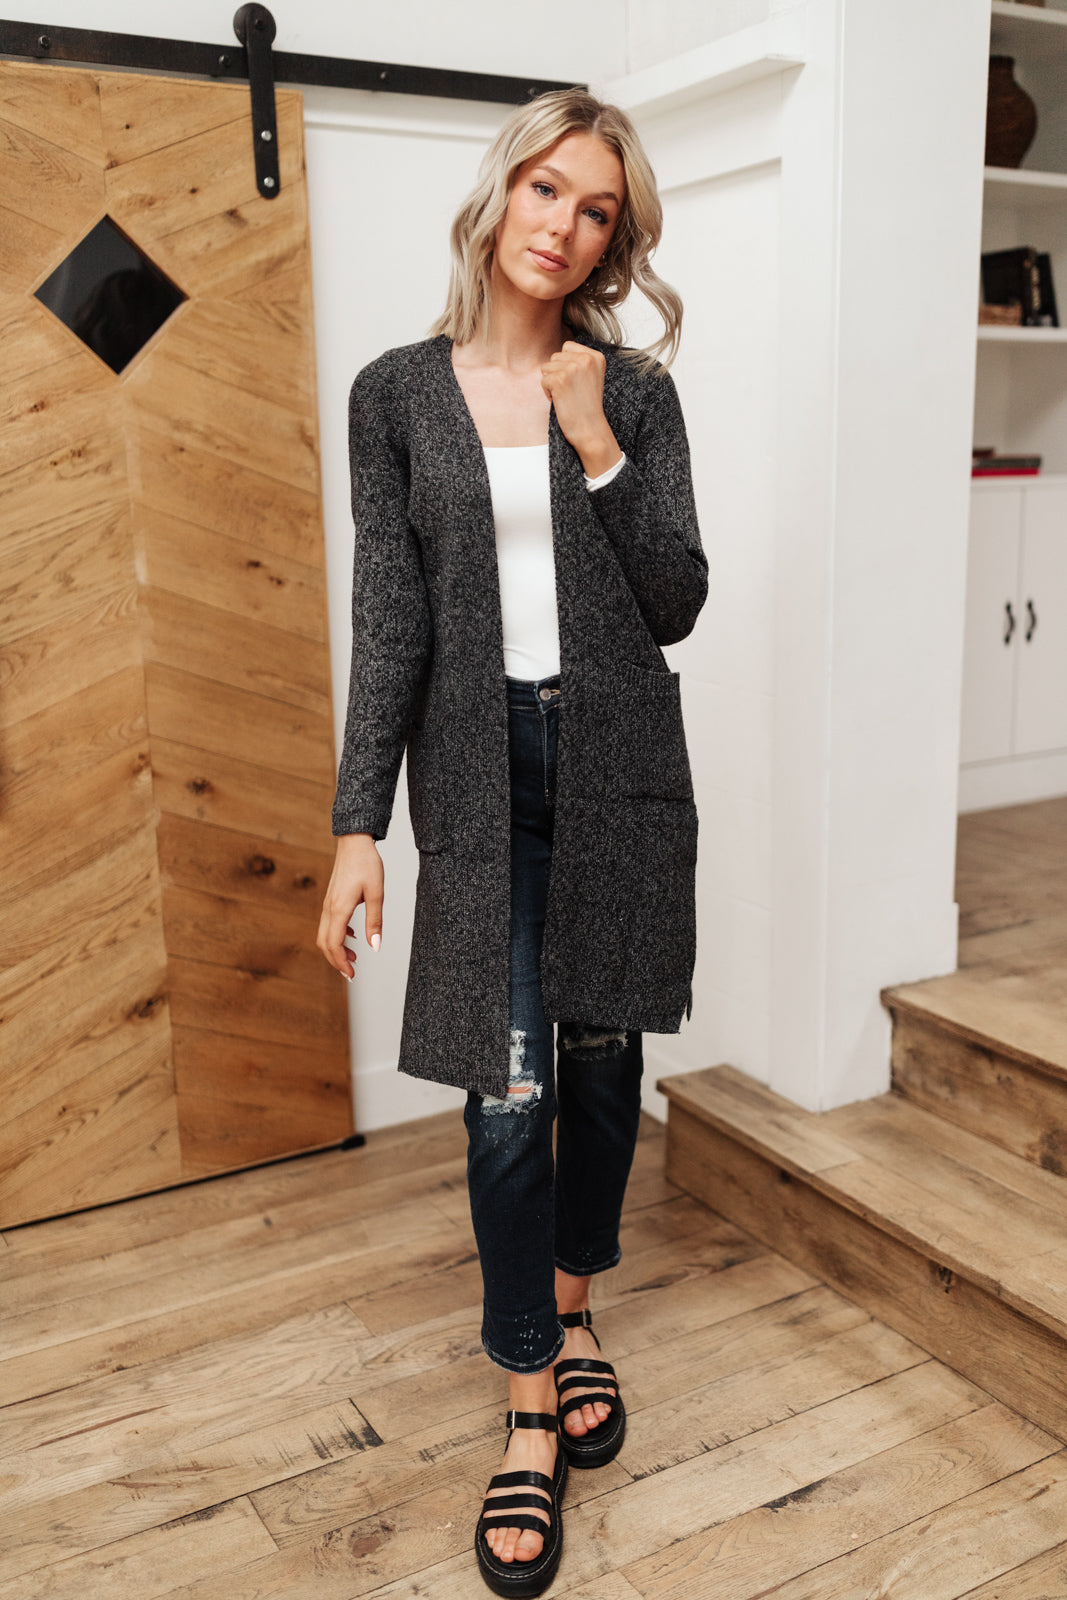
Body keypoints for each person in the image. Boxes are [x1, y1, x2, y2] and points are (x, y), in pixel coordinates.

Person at [317, 87, 706, 1598]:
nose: (566, 225)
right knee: (507, 1090)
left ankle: (579, 1308)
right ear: (501, 194)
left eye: (597, 208)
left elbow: (674, 598)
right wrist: (358, 823)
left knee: (602, 1069)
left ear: (616, 238)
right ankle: (530, 1399)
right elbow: (391, 621)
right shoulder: (395, 395)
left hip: (617, 766)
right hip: (479, 778)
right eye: (548, 189)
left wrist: (595, 435)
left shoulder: (636, 394)